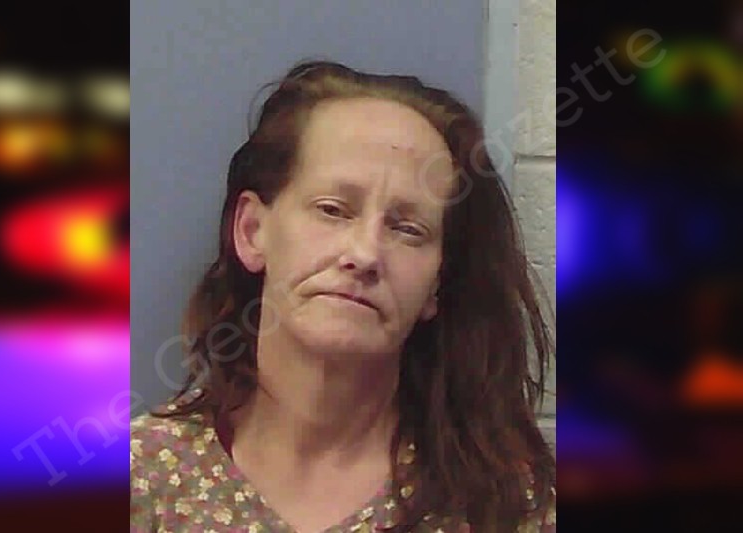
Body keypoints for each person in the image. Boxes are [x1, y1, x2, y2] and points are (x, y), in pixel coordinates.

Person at [131, 60, 556, 533]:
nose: (365, 254)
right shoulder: (142, 480)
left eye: (408, 229)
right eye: (333, 210)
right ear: (251, 231)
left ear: (437, 283)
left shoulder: (507, 506)